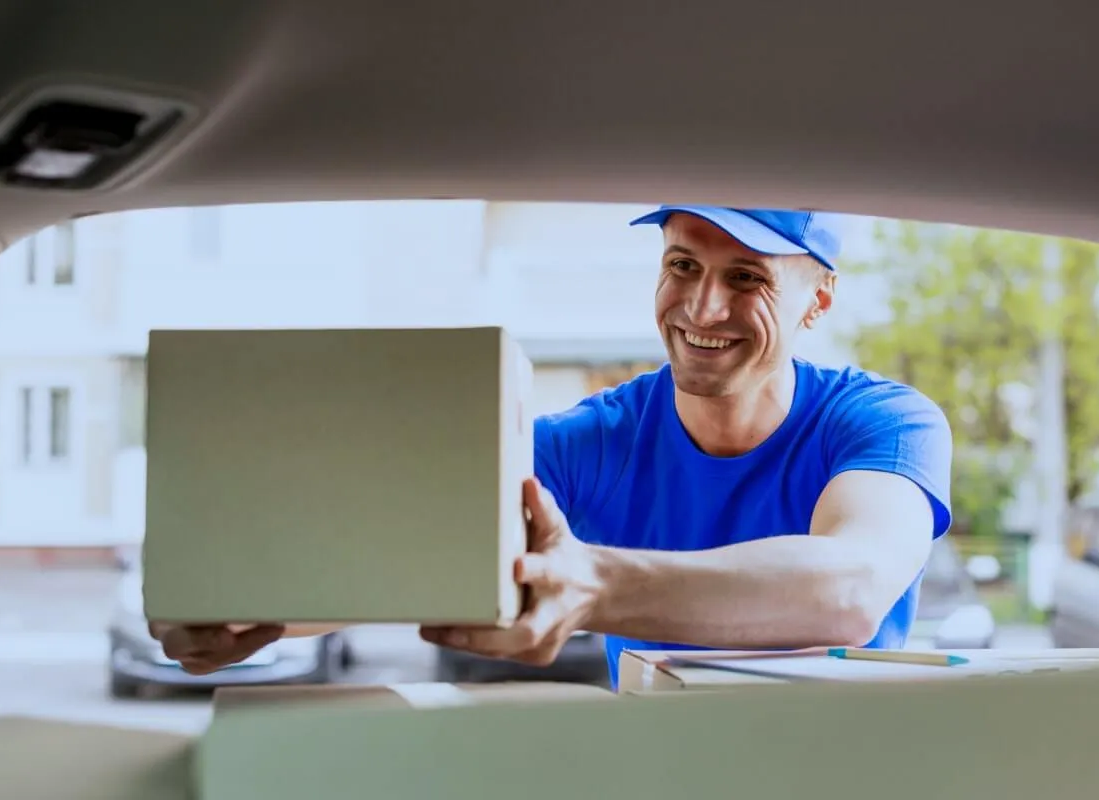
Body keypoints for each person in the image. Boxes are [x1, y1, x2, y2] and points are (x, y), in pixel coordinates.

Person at [150, 205, 953, 688]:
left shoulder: (882, 425)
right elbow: (406, 547)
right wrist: (243, 605)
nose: (703, 306)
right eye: (683, 264)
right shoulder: (587, 445)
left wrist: (593, 584)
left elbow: (847, 590)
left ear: (819, 300)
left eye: (748, 278)